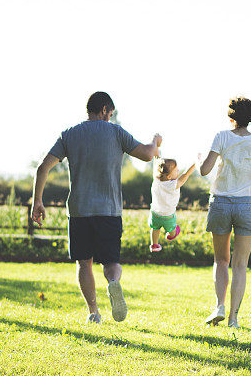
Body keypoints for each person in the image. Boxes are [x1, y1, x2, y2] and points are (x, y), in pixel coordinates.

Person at [33, 91, 161, 324]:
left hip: (80, 211)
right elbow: (146, 154)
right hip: (109, 210)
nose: (110, 118)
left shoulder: (69, 135)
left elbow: (43, 168)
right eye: (110, 114)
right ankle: (113, 283)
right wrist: (155, 141)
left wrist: (38, 201)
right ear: (104, 110)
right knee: (111, 262)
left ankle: (94, 312)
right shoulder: (116, 132)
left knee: (84, 263)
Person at [198, 97, 251, 328]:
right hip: (247, 206)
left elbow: (205, 170)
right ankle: (233, 318)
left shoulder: (221, 137)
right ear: (250, 119)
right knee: (240, 264)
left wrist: (199, 161)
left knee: (221, 260)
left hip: (221, 204)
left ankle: (219, 306)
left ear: (231, 117)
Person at [148, 158, 196, 252]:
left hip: (155, 214)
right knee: (173, 230)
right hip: (168, 216)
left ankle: (154, 245)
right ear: (169, 176)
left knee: (155, 228)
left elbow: (156, 163)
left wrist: (156, 148)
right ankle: (171, 235)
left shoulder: (156, 180)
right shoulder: (173, 185)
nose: (178, 171)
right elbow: (186, 175)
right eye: (176, 170)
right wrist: (195, 163)